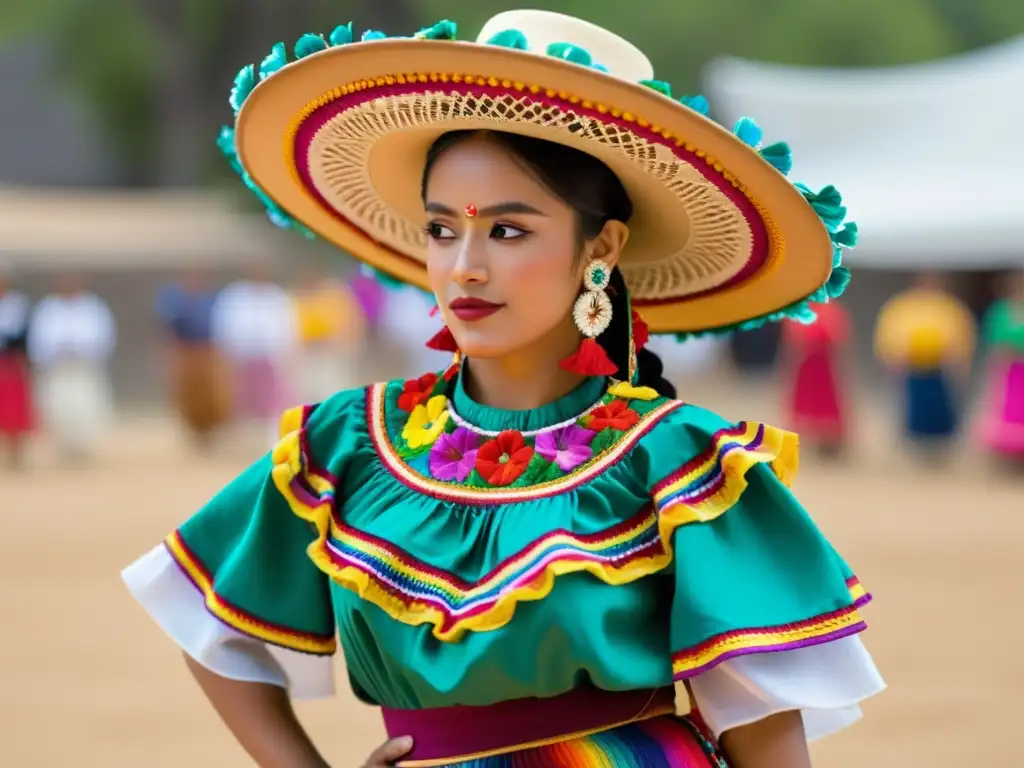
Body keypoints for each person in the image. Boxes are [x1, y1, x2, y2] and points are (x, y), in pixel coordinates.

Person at [123, 11, 884, 767]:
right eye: (442, 229)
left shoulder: (679, 462)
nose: (465, 267)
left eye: (509, 230)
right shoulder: (349, 443)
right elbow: (209, 626)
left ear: (602, 245)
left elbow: (766, 737)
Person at [874, 271, 976, 456]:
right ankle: (915, 445)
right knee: (913, 408)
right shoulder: (903, 305)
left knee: (941, 409)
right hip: (914, 367)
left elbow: (961, 333)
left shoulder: (948, 307)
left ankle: (942, 446)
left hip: (939, 369)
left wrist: (958, 358)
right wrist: (893, 356)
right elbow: (891, 332)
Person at [27, 273, 117, 460]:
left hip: (84, 368)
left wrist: (83, 348)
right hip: (58, 369)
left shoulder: (93, 307)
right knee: (58, 407)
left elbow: (104, 336)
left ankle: (83, 447)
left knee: (85, 407)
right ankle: (63, 447)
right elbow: (39, 339)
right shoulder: (48, 308)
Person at [210, 263, 298, 444]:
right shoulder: (235, 295)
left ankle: (273, 438)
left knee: (273, 403)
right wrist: (226, 350)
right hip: (241, 357)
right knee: (237, 401)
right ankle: (234, 440)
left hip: (269, 358)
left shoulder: (276, 297)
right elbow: (223, 323)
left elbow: (288, 326)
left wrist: (286, 353)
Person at [157, 268, 232, 447]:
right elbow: (170, 330)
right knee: (189, 397)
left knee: (211, 398)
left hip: (208, 352)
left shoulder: (213, 301)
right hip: (187, 354)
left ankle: (210, 431)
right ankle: (195, 433)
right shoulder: (178, 302)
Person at [781, 301, 853, 458]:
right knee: (807, 402)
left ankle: (830, 441)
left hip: (823, 365)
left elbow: (838, 335)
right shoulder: (801, 310)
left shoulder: (830, 310)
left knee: (826, 402)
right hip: (806, 365)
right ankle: (809, 438)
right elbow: (794, 338)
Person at [292, 265, 367, 403]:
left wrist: (349, 345)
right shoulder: (302, 297)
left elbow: (352, 321)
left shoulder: (334, 294)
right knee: (310, 393)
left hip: (332, 351)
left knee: (332, 390)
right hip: (311, 352)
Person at [975, 270, 1024, 464]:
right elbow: (993, 340)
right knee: (1005, 409)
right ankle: (1006, 457)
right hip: (1007, 369)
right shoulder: (1000, 312)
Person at [0, 272, 35, 467]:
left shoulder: (17, 304)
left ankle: (16, 452)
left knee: (14, 411)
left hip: (12, 361)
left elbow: (25, 335)